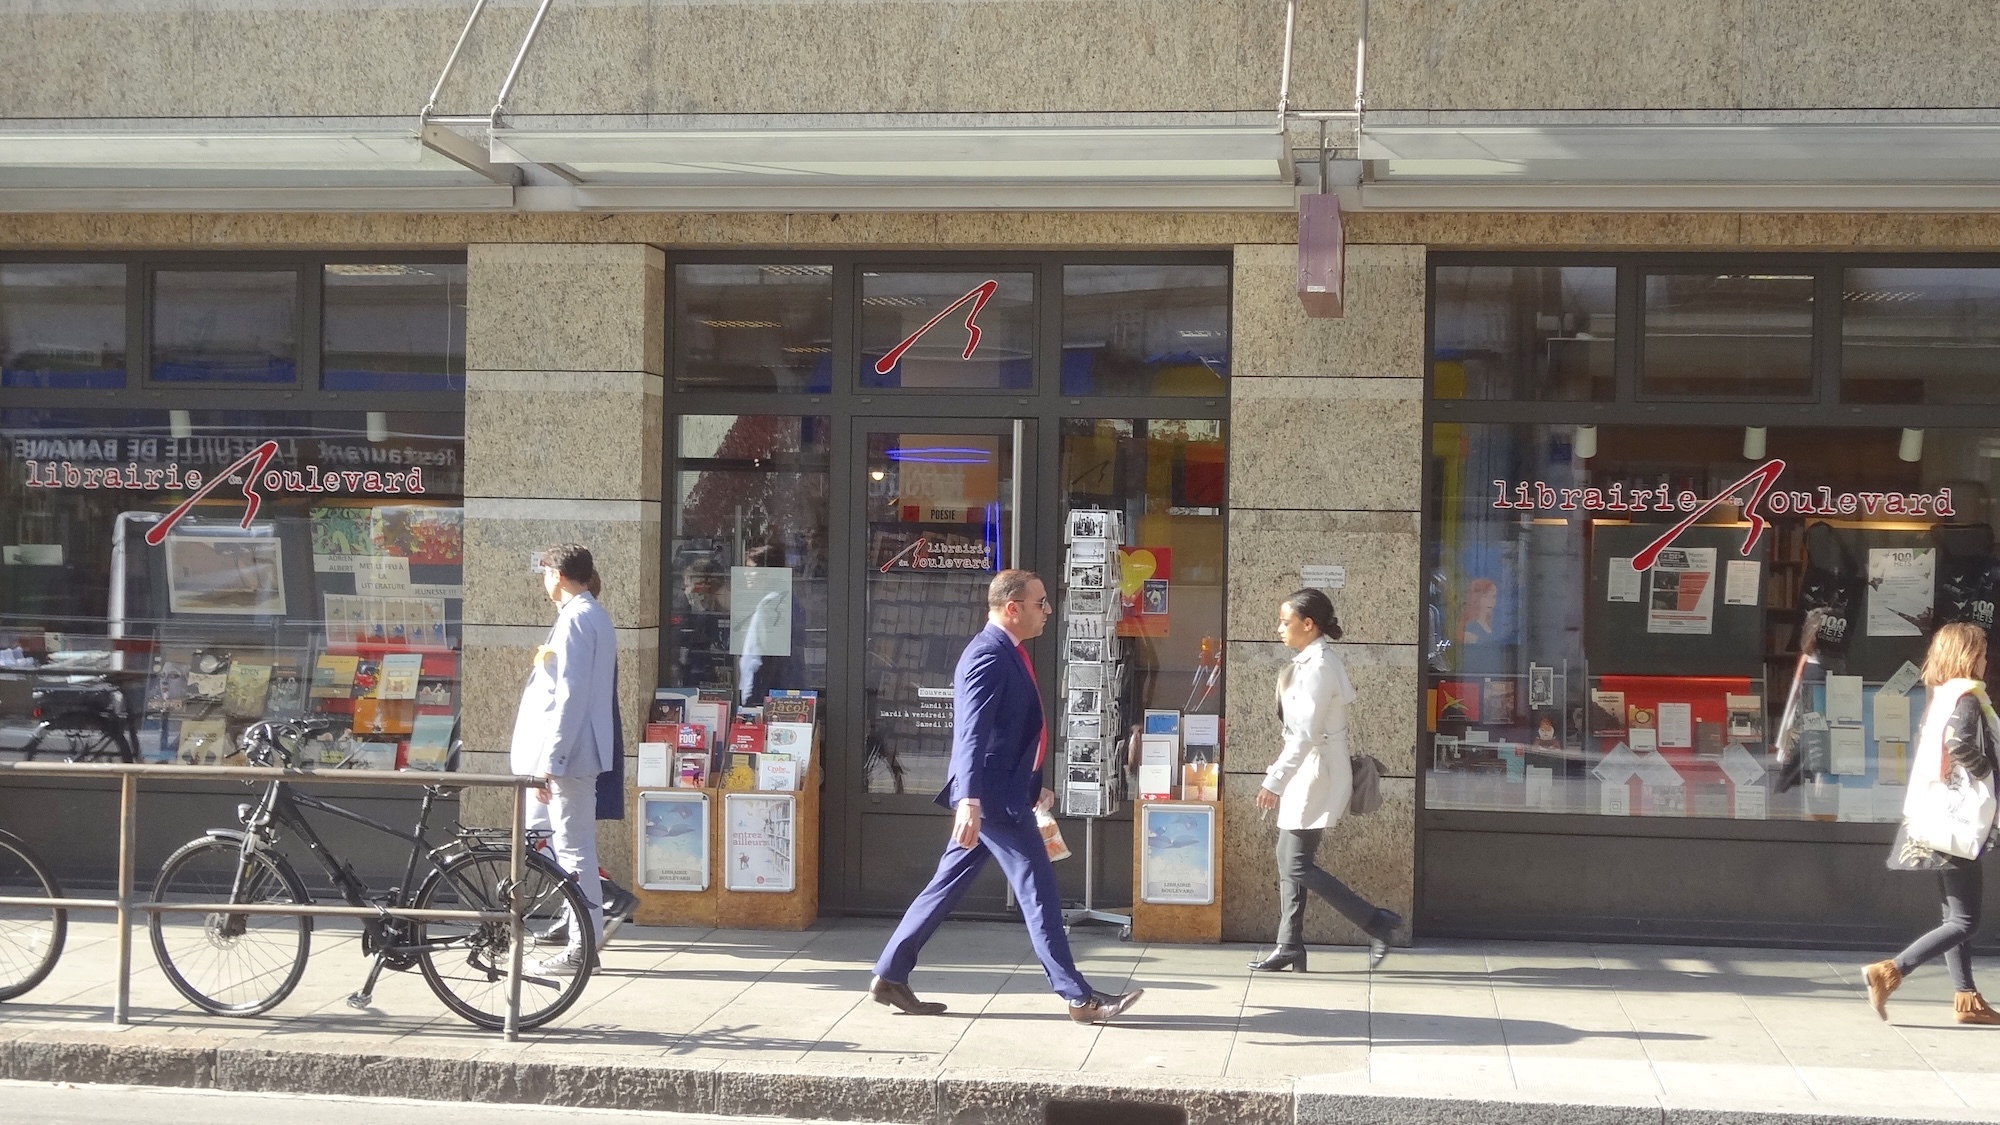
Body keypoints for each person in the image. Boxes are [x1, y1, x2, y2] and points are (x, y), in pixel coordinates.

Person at [869, 569, 1144, 1024]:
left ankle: (889, 975)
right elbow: (972, 735)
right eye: (1040, 603)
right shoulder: (988, 656)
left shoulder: (1007, 652)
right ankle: (1079, 997)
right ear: (1012, 608)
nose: (1048, 611)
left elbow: (1010, 732)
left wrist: (1035, 782)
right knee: (1040, 895)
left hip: (1005, 792)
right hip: (994, 802)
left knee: (944, 886)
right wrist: (970, 801)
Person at [1249, 588, 1403, 974]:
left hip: (1316, 773)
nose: (1278, 628)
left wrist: (1274, 781)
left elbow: (1304, 734)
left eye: (1285, 622)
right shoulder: (1312, 662)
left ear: (1308, 624)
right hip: (1311, 770)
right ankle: (1289, 945)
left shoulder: (1318, 667)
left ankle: (1376, 921)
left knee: (1296, 864)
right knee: (1290, 861)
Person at [1863, 622, 2000, 1025]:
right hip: (1958, 821)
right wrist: (1985, 772)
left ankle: (1967, 999)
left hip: (1936, 817)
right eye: (1982, 651)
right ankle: (1890, 971)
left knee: (1952, 917)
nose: (1987, 658)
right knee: (1965, 921)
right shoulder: (1969, 698)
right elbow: (1959, 744)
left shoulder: (1940, 697)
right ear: (1968, 655)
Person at [510, 543, 618, 977]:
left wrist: (550, 761)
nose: (543, 582)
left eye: (545, 574)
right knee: (538, 834)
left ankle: (582, 944)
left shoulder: (576, 619)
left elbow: (570, 696)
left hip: (568, 756)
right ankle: (579, 923)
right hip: (568, 753)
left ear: (557, 575)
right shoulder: (589, 615)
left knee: (573, 851)